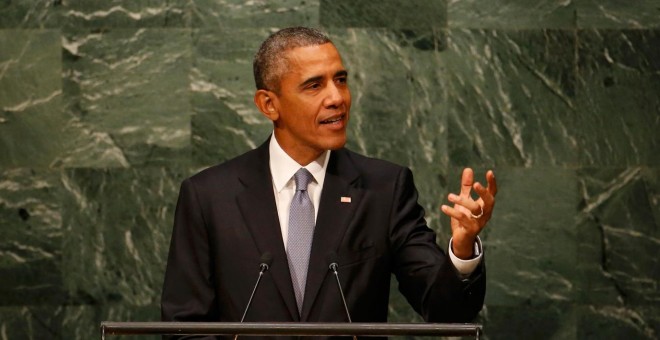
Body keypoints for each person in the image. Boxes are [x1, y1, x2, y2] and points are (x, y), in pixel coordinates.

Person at [161, 26, 497, 339]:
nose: (337, 97)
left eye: (341, 80)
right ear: (269, 104)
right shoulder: (209, 196)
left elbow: (446, 310)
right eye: (314, 85)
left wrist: (463, 248)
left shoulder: (383, 189)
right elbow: (184, 326)